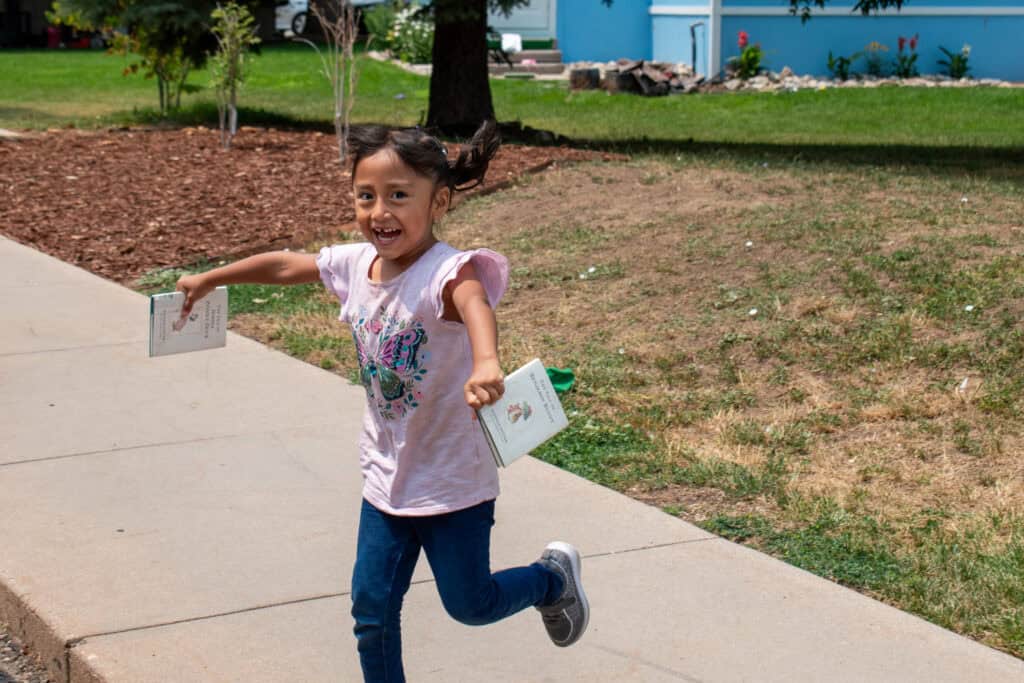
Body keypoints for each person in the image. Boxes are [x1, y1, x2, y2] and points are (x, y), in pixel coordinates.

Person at [175, 120, 589, 683]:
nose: (379, 212)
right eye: (365, 196)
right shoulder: (354, 265)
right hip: (386, 475)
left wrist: (487, 361)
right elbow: (283, 263)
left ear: (438, 200)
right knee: (371, 615)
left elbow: (474, 306)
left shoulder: (445, 270)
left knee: (471, 604)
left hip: (450, 483)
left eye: (399, 196)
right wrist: (211, 278)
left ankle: (550, 581)